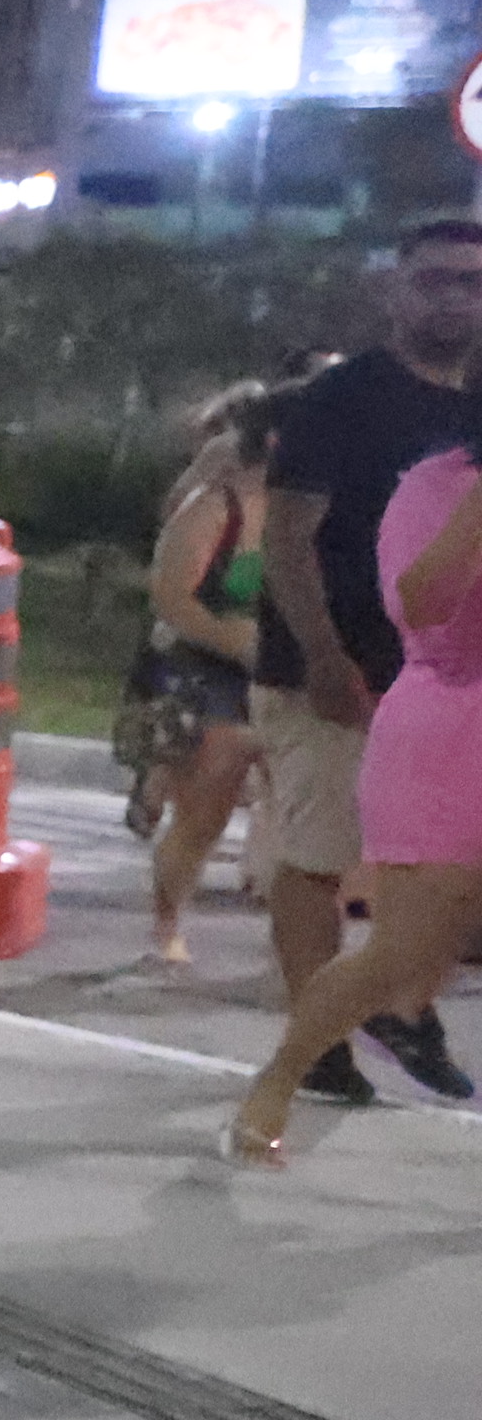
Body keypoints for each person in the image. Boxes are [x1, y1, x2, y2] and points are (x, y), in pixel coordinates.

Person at [248, 222, 482, 1100]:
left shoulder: (471, 411)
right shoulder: (343, 398)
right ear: (397, 288)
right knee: (320, 856)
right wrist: (321, 654)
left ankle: (397, 1006)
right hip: (336, 668)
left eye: (472, 282)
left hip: (446, 688)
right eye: (435, 280)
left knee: (436, 879)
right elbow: (288, 535)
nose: (454, 298)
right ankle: (317, 1049)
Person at [232, 424, 482, 1158]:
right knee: (404, 955)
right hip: (452, 732)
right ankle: (279, 1081)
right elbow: (422, 611)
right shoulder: (436, 485)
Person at [123, 385, 273, 972]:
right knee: (207, 807)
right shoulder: (218, 504)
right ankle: (167, 924)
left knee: (305, 809)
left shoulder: (317, 509)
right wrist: (235, 640)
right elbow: (172, 596)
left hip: (288, 672)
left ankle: (299, 943)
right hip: (207, 667)